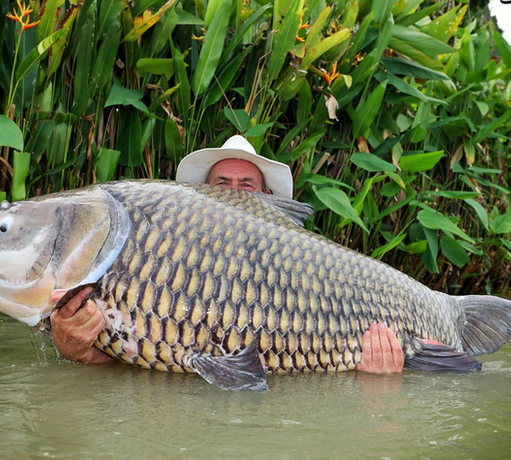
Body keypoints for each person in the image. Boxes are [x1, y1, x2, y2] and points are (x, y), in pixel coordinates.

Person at [50, 136, 405, 374]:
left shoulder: (311, 266)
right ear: (198, 195)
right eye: (221, 185)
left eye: (246, 186)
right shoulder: (160, 260)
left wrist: (377, 374)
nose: (234, 194)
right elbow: (134, 352)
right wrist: (75, 348)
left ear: (269, 197)